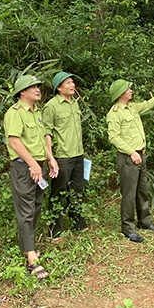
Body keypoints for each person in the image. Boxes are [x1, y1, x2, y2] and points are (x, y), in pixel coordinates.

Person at [106, 78, 154, 242]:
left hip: (141, 155)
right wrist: (131, 152)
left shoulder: (132, 107)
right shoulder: (114, 113)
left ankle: (144, 221)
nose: (131, 91)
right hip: (128, 157)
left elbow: (149, 104)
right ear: (120, 93)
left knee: (142, 190)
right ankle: (128, 228)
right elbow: (114, 138)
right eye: (128, 89)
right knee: (129, 194)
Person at [4, 75, 59, 280]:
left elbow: (43, 137)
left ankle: (28, 248)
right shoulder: (15, 113)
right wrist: (33, 164)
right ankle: (31, 259)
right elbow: (14, 142)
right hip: (25, 168)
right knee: (26, 210)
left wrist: (50, 158)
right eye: (32, 87)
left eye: (37, 86)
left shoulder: (37, 112)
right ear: (22, 92)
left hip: (39, 166)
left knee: (36, 206)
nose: (37, 89)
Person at [43, 71, 88, 241]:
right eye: (68, 83)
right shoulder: (51, 106)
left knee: (77, 190)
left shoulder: (74, 103)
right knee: (58, 193)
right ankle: (54, 230)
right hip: (62, 156)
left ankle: (78, 223)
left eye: (72, 82)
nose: (72, 85)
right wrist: (50, 157)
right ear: (58, 88)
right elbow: (46, 133)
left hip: (78, 154)